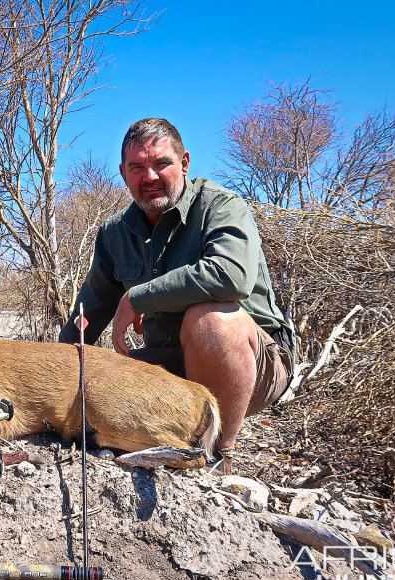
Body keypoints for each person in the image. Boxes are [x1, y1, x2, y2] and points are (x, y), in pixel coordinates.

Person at [58, 118, 295, 473]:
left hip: (254, 364)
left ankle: (216, 458)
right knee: (99, 388)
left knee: (212, 322)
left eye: (161, 164)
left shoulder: (221, 206)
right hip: (169, 366)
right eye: (137, 167)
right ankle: (166, 443)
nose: (149, 177)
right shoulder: (114, 233)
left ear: (184, 163)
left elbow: (232, 276)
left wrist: (137, 298)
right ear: (124, 173)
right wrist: (56, 364)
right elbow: (87, 312)